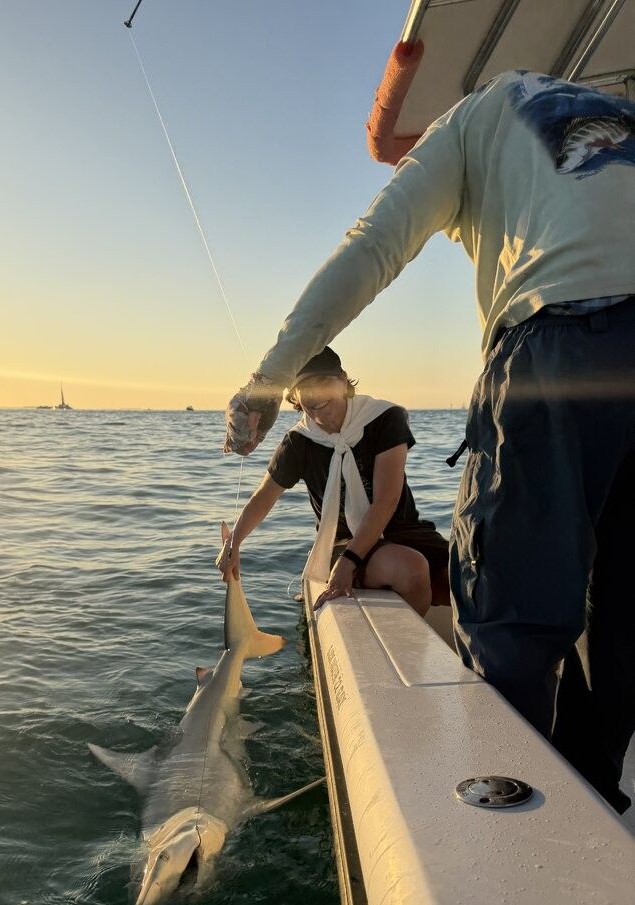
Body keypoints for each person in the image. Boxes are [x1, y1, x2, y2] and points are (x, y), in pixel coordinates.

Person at [222, 71, 635, 813]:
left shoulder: (471, 120)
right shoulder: (625, 114)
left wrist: (265, 378)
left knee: (513, 619)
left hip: (558, 340)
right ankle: (592, 808)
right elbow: (269, 493)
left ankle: (510, 818)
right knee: (627, 622)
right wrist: (237, 547)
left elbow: (372, 247)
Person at [216, 346, 449, 613]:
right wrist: (233, 544)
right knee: (411, 569)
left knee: (474, 579)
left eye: (323, 381)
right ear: (295, 396)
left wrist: (349, 564)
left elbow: (387, 499)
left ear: (343, 381)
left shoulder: (384, 418)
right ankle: (411, 653)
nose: (315, 394)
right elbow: (263, 499)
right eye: (305, 387)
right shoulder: (299, 441)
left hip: (404, 532)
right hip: (341, 544)